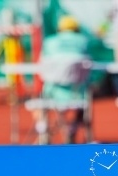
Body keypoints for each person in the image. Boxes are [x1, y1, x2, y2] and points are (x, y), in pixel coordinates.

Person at [34, 14, 92, 144]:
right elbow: (88, 64)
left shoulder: (49, 42)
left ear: (60, 29)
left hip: (52, 92)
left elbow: (41, 65)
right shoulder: (83, 41)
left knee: (39, 99)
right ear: (76, 29)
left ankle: (43, 132)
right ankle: (73, 128)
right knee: (86, 98)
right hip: (78, 93)